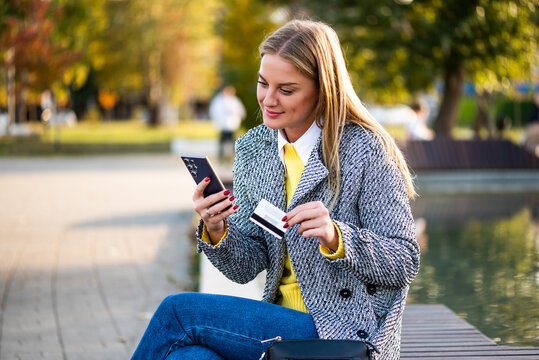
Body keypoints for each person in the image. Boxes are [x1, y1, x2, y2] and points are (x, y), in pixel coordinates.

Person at [131, 19, 420, 360]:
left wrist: (337, 237)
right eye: (262, 83)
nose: (268, 99)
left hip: (342, 330)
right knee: (189, 357)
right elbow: (245, 267)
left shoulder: (365, 150)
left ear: (323, 89)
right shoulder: (254, 149)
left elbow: (405, 260)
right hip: (279, 325)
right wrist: (217, 229)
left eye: (286, 90)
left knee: (177, 313)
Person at [209, 86, 246, 163]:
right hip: (222, 125)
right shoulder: (218, 101)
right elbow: (214, 111)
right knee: (222, 142)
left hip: (232, 126)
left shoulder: (235, 101)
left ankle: (232, 157)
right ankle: (221, 158)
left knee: (232, 142)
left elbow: (241, 111)